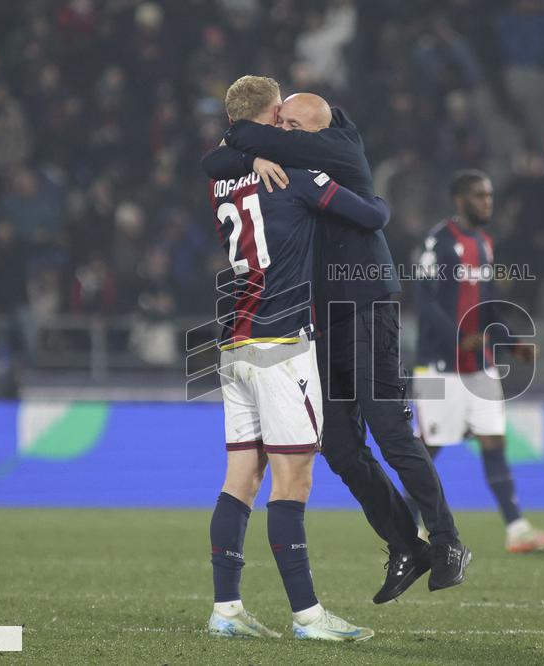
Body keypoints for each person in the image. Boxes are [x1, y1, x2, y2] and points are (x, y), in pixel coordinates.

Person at [202, 90, 471, 604]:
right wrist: (248, 157)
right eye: (280, 123)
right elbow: (214, 161)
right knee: (341, 448)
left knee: (391, 430)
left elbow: (239, 145)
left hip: (367, 306)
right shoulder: (286, 162)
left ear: (318, 130)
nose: (282, 133)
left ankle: (448, 541)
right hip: (321, 318)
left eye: (292, 125)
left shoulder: (339, 147)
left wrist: (244, 140)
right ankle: (405, 545)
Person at [206, 76, 389, 641]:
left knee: (241, 478)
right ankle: (308, 617)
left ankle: (226, 610)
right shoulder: (296, 176)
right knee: (294, 477)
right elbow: (372, 216)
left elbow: (215, 160)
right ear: (270, 121)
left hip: (234, 344)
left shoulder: (221, 180)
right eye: (280, 120)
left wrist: (248, 153)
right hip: (282, 344)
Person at [411, 170, 544, 553]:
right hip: (439, 367)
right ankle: (407, 525)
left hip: (480, 365)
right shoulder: (438, 242)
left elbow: (490, 305)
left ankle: (517, 530)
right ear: (460, 200)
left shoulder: (484, 244)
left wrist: (512, 344)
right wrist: (458, 338)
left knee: (493, 439)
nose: (487, 202)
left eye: (490, 195)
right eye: (480, 196)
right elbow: (425, 302)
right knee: (429, 448)